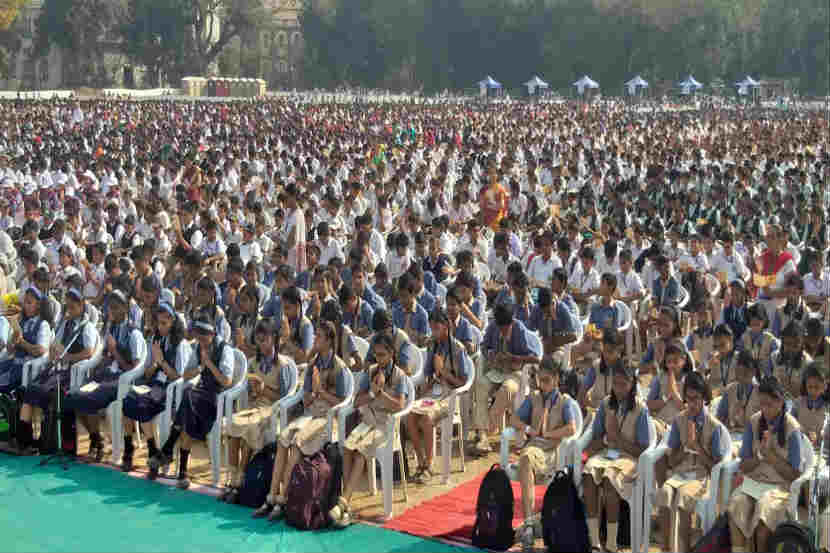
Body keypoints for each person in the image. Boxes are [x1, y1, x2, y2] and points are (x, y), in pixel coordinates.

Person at [254, 319, 348, 520]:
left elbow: (341, 402)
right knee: (283, 440)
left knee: (296, 444)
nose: (315, 339)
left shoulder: (339, 367)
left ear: (330, 341)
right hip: (310, 413)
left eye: (320, 336)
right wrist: (313, 392)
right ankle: (270, 497)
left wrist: (319, 390)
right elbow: (305, 400)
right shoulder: (313, 364)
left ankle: (283, 499)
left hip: (326, 418)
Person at [148, 311, 234, 489]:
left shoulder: (225, 350)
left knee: (187, 399)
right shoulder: (198, 348)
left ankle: (168, 450)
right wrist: (201, 366)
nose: (200, 339)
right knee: (188, 403)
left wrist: (209, 364)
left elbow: (226, 381)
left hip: (217, 398)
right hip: (199, 396)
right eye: (198, 335)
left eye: (204, 336)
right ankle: (182, 473)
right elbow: (186, 375)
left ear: (212, 334)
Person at [331, 333, 408, 527]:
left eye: (382, 355)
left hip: (385, 426)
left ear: (391, 353)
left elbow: (400, 406)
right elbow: (357, 401)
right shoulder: (371, 371)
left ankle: (343, 502)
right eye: (376, 355)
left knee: (360, 455)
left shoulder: (399, 376)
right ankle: (346, 505)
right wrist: (372, 392)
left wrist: (381, 394)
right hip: (368, 422)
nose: (379, 359)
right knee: (348, 447)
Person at [727, 376, 806, 553]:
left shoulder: (792, 428)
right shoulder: (754, 422)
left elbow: (794, 475)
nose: (764, 409)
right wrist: (760, 457)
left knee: (762, 523)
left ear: (780, 401)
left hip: (779, 487)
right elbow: (744, 466)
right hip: (753, 483)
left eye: (769, 404)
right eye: (761, 404)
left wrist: (771, 457)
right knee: (736, 507)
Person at [63, 289, 143, 462]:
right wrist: (104, 357)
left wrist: (115, 351)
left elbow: (134, 370)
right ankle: (96, 439)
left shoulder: (134, 333)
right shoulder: (111, 329)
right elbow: (103, 355)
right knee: (72, 397)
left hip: (121, 381)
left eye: (115, 308)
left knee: (89, 399)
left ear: (124, 308)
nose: (111, 312)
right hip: (105, 377)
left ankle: (98, 444)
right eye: (109, 308)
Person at [15, 287, 96, 454]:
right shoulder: (65, 324)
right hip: (58, 370)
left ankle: (54, 442)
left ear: (81, 306)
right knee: (31, 388)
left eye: (73, 307)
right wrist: (54, 352)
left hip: (73, 372)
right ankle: (25, 440)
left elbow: (89, 352)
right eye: (68, 306)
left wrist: (68, 358)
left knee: (51, 393)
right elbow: (54, 346)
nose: (69, 310)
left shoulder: (86, 327)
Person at [222, 319, 293, 504]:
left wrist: (264, 390)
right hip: (254, 407)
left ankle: (240, 480)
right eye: (258, 340)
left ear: (274, 339)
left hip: (272, 411)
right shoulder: (253, 363)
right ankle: (233, 478)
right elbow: (245, 389)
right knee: (232, 424)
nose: (261, 344)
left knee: (248, 428)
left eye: (265, 340)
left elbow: (286, 398)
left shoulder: (284, 365)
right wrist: (253, 390)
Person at [582, 362, 652, 553]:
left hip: (629, 458)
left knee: (608, 480)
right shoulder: (605, 404)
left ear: (632, 384)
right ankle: (595, 541)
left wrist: (619, 440)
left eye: (624, 384)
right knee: (588, 475)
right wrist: (606, 438)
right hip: (607, 453)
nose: (619, 389)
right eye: (616, 384)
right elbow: (594, 440)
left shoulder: (640, 409)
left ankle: (611, 544)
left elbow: (644, 450)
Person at [655, 371, 726, 552]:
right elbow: (671, 461)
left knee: (683, 499)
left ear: (704, 398)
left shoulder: (714, 425)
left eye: (696, 399)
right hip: (681, 473)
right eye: (688, 399)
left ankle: (684, 548)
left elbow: (715, 467)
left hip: (701, 477)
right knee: (664, 493)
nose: (691, 404)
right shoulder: (680, 420)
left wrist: (696, 446)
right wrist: (685, 447)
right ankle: (666, 547)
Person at [512, 357, 579, 547]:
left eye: (547, 380)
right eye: (540, 380)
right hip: (534, 447)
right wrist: (527, 429)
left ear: (556, 379)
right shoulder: (534, 397)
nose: (543, 384)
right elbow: (515, 420)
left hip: (551, 450)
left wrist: (550, 433)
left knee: (526, 458)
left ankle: (528, 525)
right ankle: (529, 523)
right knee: (526, 458)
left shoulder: (564, 402)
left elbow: (571, 428)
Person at [121, 301, 190, 475]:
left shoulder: (180, 344)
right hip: (154, 384)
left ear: (172, 321)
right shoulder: (155, 339)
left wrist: (161, 361)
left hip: (169, 388)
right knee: (128, 401)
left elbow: (177, 377)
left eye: (164, 323)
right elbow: (147, 372)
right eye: (158, 323)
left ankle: (153, 451)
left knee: (142, 404)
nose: (160, 327)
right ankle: (139, 448)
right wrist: (153, 365)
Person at [406, 307, 469, 483]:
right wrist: (424, 389)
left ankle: (430, 465)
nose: (433, 332)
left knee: (426, 419)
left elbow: (463, 382)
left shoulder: (457, 349)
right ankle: (421, 462)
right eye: (431, 328)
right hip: (433, 392)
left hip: (449, 396)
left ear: (446, 327)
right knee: (410, 416)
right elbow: (427, 373)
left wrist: (444, 372)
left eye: (436, 328)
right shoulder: (432, 345)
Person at [472, 302, 543, 455]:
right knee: (481, 385)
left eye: (505, 328)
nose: (502, 331)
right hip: (496, 370)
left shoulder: (520, 331)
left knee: (507, 389)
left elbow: (535, 358)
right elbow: (484, 346)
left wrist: (514, 358)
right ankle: (484, 434)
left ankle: (485, 432)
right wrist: (490, 354)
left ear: (511, 322)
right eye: (500, 328)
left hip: (515, 372)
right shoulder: (493, 326)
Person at [0, 286, 52, 394]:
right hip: (12, 364)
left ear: (38, 305)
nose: (25, 306)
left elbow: (40, 350)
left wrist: (21, 342)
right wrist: (14, 338)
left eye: (29, 303)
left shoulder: (43, 325)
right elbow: (9, 350)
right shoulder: (22, 321)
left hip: (26, 370)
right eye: (25, 302)